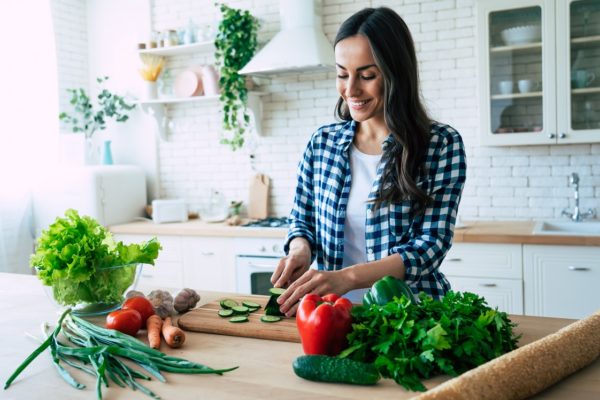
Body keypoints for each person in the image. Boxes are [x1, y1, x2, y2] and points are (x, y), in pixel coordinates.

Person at [271, 7, 467, 316]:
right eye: (342, 74)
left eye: (367, 75)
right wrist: (300, 249)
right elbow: (302, 220)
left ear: (395, 73)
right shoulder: (322, 143)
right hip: (331, 316)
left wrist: (346, 278)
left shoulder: (440, 145)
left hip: (412, 317)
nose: (351, 90)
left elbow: (430, 247)